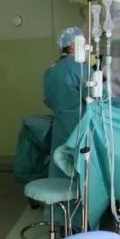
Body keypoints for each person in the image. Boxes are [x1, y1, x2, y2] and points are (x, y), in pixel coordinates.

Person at [44, 26, 86, 177]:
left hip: (60, 125)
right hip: (78, 125)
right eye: (83, 43)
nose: (86, 47)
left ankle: (58, 192)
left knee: (60, 164)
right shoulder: (78, 67)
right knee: (77, 167)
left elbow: (48, 100)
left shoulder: (52, 69)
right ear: (73, 45)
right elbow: (97, 96)